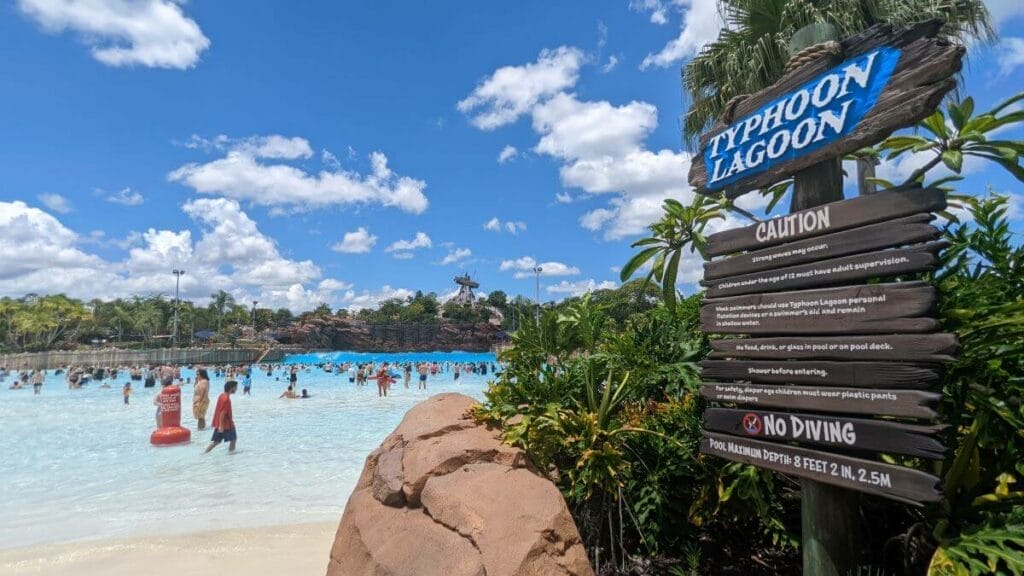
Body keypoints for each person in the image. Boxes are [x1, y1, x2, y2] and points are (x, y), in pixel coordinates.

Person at [205, 380, 238, 454]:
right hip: (226, 424)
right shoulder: (226, 399)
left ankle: (204, 454)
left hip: (220, 423)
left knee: (216, 442)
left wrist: (219, 425)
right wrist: (221, 426)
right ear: (231, 388)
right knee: (233, 439)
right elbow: (222, 413)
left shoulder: (222, 395)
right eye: (235, 387)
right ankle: (231, 456)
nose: (236, 389)